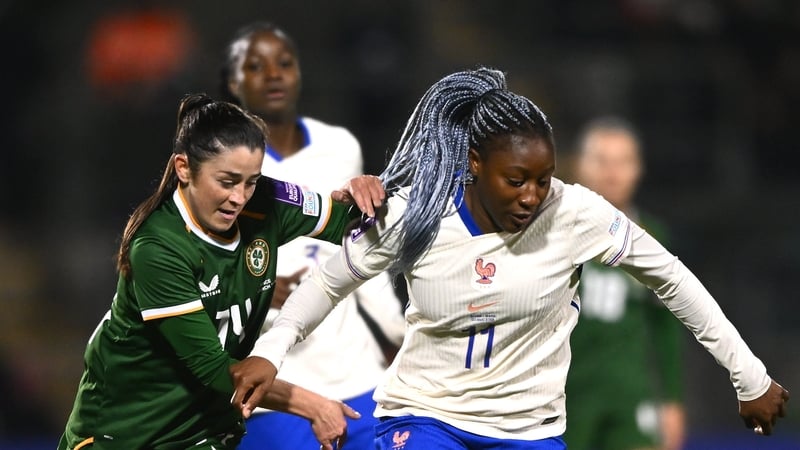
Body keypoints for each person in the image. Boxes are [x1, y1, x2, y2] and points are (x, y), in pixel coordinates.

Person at [229, 67, 790, 450]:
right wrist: (270, 354)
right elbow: (327, 284)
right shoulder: (417, 214)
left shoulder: (574, 212)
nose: (532, 195)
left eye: (543, 179)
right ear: (474, 163)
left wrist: (749, 377)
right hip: (427, 418)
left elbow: (671, 278)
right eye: (516, 180)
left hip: (528, 431)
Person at [57, 93, 386, 450]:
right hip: (125, 435)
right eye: (227, 182)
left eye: (251, 181)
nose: (240, 197)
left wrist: (368, 195)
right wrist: (314, 406)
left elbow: (349, 225)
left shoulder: (266, 200)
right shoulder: (158, 249)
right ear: (184, 168)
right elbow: (216, 372)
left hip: (204, 431)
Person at [219, 21, 405, 450]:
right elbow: (199, 261)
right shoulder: (222, 164)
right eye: (256, 66)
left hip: (357, 372)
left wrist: (397, 333)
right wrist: (252, 289)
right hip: (274, 386)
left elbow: (363, 248)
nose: (274, 75)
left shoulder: (338, 146)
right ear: (233, 82)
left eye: (285, 63)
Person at [564, 117, 686, 450]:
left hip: (629, 395)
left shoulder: (653, 238)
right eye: (602, 161)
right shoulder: (556, 231)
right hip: (565, 394)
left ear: (638, 169)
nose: (612, 173)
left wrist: (672, 400)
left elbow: (666, 326)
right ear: (580, 165)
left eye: (622, 162)